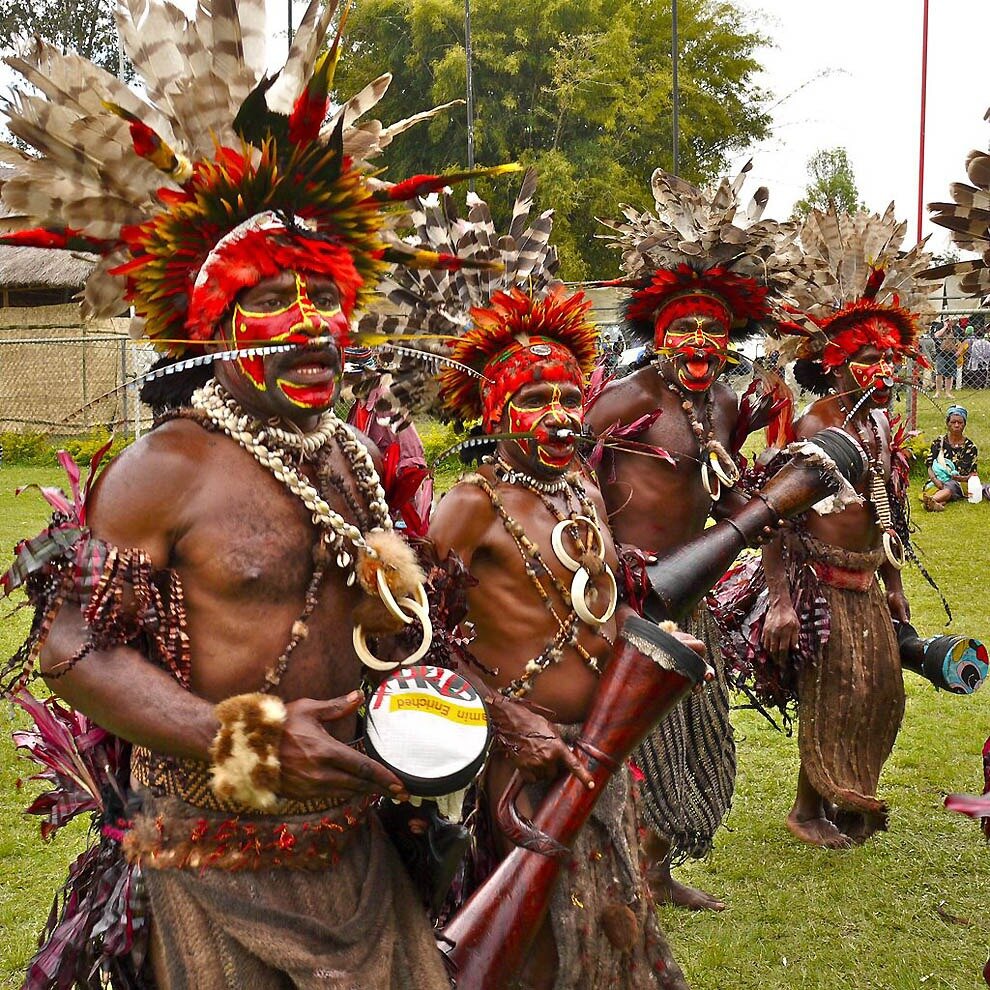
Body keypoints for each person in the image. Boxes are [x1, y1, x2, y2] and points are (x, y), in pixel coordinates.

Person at [0, 3, 509, 986]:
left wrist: (426, 684)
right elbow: (65, 645)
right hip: (209, 849)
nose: (311, 322)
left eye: (326, 294)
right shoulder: (169, 468)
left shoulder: (353, 457)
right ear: (213, 321)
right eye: (274, 298)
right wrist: (242, 736)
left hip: (355, 837)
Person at [368, 177, 697, 989]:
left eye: (566, 397)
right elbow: (415, 644)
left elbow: (604, 599)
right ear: (491, 411)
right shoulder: (468, 509)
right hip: (520, 765)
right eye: (533, 399)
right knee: (532, 945)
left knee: (610, 928)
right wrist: (504, 715)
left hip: (600, 751)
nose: (558, 415)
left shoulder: (582, 485)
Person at [586, 162, 800, 911]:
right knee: (634, 750)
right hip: (629, 600)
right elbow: (567, 475)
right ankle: (620, 876)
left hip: (694, 601)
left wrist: (768, 521)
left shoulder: (720, 406)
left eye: (714, 327)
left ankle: (657, 871)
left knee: (690, 743)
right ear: (660, 335)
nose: (702, 339)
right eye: (685, 327)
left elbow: (723, 492)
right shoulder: (625, 400)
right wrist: (601, 567)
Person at [758, 207, 934, 849]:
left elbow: (881, 506)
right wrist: (780, 600)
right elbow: (775, 519)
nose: (885, 370)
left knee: (880, 694)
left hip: (864, 580)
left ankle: (849, 792)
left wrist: (890, 578)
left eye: (891, 357)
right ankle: (810, 810)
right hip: (818, 581)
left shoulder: (880, 425)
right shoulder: (814, 428)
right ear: (834, 365)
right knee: (832, 695)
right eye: (868, 358)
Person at [923, 405, 979, 511]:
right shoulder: (939, 443)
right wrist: (936, 480)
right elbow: (929, 466)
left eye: (960, 422)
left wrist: (961, 478)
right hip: (937, 481)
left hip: (958, 484)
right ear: (947, 424)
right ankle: (938, 503)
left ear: (964, 424)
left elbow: (973, 474)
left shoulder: (970, 447)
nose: (956, 425)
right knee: (943, 488)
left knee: (950, 487)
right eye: (953, 422)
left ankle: (932, 500)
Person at [933, 317, 964, 397]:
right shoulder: (939, 326)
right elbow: (936, 335)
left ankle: (948, 392)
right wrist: (945, 327)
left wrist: (959, 351)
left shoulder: (957, 329)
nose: (950, 322)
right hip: (941, 353)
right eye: (948, 320)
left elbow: (964, 341)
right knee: (939, 373)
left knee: (949, 374)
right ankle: (938, 392)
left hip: (952, 354)